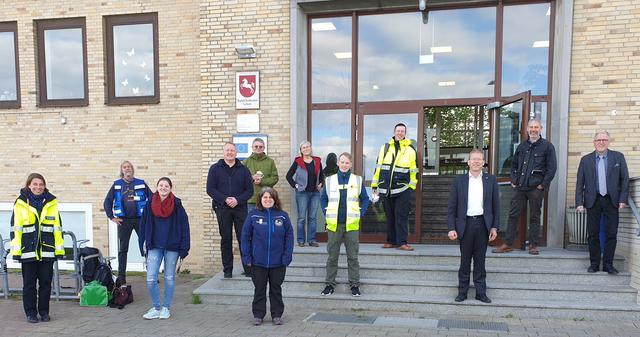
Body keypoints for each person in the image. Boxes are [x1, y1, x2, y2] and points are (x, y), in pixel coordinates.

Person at [493, 119, 556, 255]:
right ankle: (508, 244)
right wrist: (514, 180)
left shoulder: (547, 146)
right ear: (527, 129)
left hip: (536, 188)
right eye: (531, 127)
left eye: (536, 127)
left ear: (541, 129)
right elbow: (514, 165)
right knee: (513, 215)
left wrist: (542, 185)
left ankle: (533, 245)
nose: (533, 129)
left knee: (534, 216)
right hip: (520, 187)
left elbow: (552, 168)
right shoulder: (521, 147)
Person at [10, 173, 64, 323]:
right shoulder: (20, 203)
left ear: (44, 186)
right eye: (35, 184)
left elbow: (58, 228)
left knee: (46, 284)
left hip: (47, 250)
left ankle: (44, 312)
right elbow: (15, 229)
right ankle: (31, 313)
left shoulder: (52, 202)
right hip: (28, 251)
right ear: (29, 185)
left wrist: (59, 250)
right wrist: (16, 252)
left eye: (41, 184)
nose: (38, 187)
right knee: (29, 285)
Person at [447, 150, 499, 304]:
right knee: (465, 260)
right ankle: (462, 292)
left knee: (480, 261)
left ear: (483, 163)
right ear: (468, 162)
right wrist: (451, 227)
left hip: (483, 225)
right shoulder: (459, 180)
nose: (476, 162)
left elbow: (496, 206)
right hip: (465, 225)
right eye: (473, 159)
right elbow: (452, 207)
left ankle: (480, 292)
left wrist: (494, 227)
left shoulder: (491, 180)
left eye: (479, 159)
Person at [576, 130, 629, 274]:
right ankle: (594, 264)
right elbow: (580, 183)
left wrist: (623, 199)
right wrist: (579, 202)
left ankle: (608, 264)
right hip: (593, 200)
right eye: (598, 140)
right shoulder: (585, 160)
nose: (601, 142)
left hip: (612, 200)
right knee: (592, 234)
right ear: (594, 142)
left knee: (611, 233)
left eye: (604, 140)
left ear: (608, 142)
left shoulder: (618, 157)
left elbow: (624, 179)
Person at [139, 177, 191, 319]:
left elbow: (184, 226)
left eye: (166, 185)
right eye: (161, 185)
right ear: (157, 187)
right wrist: (141, 244)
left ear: (170, 188)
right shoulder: (149, 204)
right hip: (154, 246)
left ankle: (166, 308)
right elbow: (142, 226)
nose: (163, 188)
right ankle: (156, 307)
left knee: (169, 278)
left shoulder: (177, 204)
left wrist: (184, 247)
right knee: (150, 279)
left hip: (172, 247)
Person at [241, 187, 294, 326]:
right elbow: (245, 236)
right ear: (260, 199)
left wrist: (287, 256)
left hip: (278, 262)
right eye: (265, 197)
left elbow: (289, 237)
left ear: (275, 199)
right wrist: (246, 257)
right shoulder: (253, 215)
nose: (268, 199)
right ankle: (258, 315)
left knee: (276, 289)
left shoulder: (283, 216)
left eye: (270, 197)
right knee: (259, 289)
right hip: (258, 261)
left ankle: (277, 315)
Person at [320, 153, 369, 297]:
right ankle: (329, 284)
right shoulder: (329, 180)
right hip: (334, 225)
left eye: (347, 162)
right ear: (338, 164)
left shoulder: (357, 180)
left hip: (351, 225)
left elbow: (365, 200)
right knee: (332, 257)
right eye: (342, 162)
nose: (344, 165)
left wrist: (360, 214)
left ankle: (354, 285)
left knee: (353, 257)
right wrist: (326, 212)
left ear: (351, 164)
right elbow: (323, 199)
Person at [207, 142, 254, 278]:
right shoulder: (215, 169)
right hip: (222, 208)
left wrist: (237, 200)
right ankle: (227, 270)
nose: (230, 153)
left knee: (244, 238)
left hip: (240, 208)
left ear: (236, 153)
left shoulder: (244, 169)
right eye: (227, 150)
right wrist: (226, 199)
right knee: (226, 238)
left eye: (232, 150)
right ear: (223, 152)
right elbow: (210, 189)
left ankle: (248, 269)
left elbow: (249, 190)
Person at [103, 160, 152, 284]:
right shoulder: (116, 185)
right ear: (122, 170)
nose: (127, 169)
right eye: (125, 167)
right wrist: (112, 217)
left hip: (140, 220)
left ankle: (152, 274)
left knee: (146, 246)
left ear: (133, 169)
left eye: (129, 167)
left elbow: (152, 198)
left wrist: (150, 215)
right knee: (123, 249)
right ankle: (121, 276)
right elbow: (107, 201)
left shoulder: (141, 183)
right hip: (123, 221)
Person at [371, 123, 418, 251]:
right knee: (389, 216)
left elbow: (414, 170)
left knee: (401, 216)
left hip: (402, 189)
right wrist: (375, 185)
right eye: (398, 131)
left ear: (405, 133)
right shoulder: (385, 147)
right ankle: (390, 241)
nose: (400, 133)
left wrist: (411, 187)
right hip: (386, 188)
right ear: (394, 132)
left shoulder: (410, 150)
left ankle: (402, 242)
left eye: (402, 131)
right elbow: (378, 166)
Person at [286, 140, 324, 247]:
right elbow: (288, 176)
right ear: (301, 150)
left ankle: (311, 240)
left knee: (312, 218)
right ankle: (301, 240)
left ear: (311, 148)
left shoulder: (317, 161)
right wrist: (296, 185)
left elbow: (322, 176)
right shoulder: (298, 162)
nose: (306, 149)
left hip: (315, 193)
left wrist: (321, 183)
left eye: (308, 147)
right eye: (304, 147)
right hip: (302, 193)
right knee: (301, 218)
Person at [243, 138, 279, 213]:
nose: (258, 148)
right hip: (251, 199)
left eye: (260, 146)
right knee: (251, 222)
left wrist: (262, 181)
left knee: (266, 222)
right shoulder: (246, 162)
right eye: (256, 146)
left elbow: (275, 178)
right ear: (252, 147)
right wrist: (252, 178)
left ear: (264, 148)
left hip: (267, 199)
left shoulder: (270, 161)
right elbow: (240, 179)